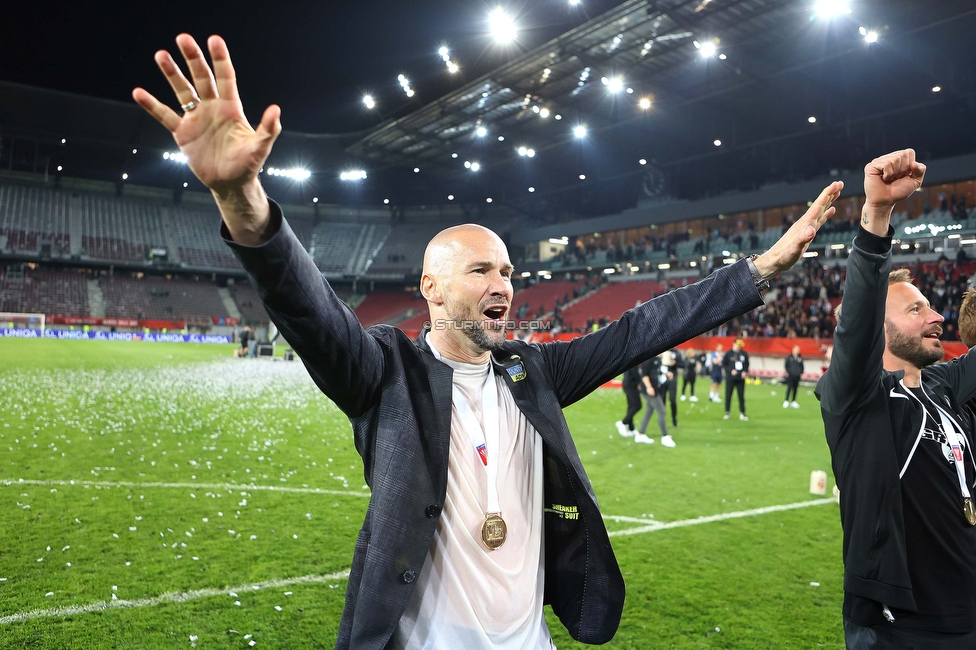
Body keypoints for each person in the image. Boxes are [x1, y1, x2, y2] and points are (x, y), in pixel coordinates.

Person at [133, 33, 844, 650]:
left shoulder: (535, 373)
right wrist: (242, 202)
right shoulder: (385, 376)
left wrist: (762, 268)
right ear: (433, 289)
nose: (503, 281)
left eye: (508, 269)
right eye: (480, 269)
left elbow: (643, 327)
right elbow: (306, 308)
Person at [818, 149, 976, 648]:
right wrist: (878, 216)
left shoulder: (944, 388)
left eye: (931, 307)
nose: (937, 318)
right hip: (900, 629)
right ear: (879, 329)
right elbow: (856, 324)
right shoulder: (858, 401)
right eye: (916, 309)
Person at [637, 353, 672, 446]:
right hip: (650, 390)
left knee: (649, 411)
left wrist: (666, 374)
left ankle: (640, 434)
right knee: (662, 411)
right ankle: (665, 436)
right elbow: (644, 374)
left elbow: (656, 372)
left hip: (654, 389)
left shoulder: (657, 359)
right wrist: (649, 387)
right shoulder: (649, 359)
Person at [722, 339, 750, 420]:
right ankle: (727, 412)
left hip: (740, 378)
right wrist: (730, 371)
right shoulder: (728, 354)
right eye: (738, 345)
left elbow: (747, 365)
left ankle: (742, 413)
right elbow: (724, 365)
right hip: (730, 378)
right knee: (728, 395)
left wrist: (745, 371)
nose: (739, 347)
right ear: (733, 344)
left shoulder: (744, 354)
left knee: (741, 396)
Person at [615, 365, 642, 438]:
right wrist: (639, 382)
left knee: (631, 406)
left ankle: (631, 428)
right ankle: (623, 423)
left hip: (628, 384)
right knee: (637, 405)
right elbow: (634, 371)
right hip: (631, 385)